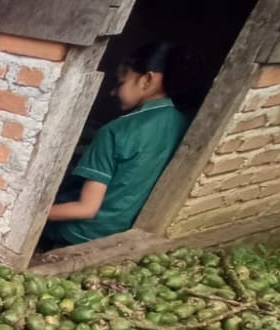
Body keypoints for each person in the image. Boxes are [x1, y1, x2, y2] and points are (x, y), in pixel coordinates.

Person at [42, 43, 190, 246]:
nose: (112, 92)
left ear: (147, 79)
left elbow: (86, 208)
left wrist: (35, 214)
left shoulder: (116, 131)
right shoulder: (183, 124)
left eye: (120, 83)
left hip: (83, 234)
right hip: (123, 231)